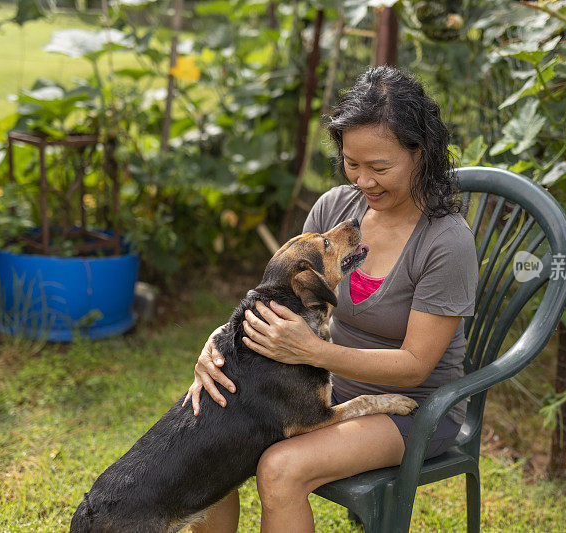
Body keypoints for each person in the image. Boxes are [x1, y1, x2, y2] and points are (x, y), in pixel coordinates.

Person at [184, 65, 478, 533]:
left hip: (415, 408)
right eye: (352, 163)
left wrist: (316, 352)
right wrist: (218, 342)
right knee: (207, 438)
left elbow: (415, 366)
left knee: (281, 468)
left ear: (421, 154)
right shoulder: (335, 208)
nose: (363, 181)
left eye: (380, 167)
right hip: (321, 388)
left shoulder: (445, 242)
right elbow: (281, 296)